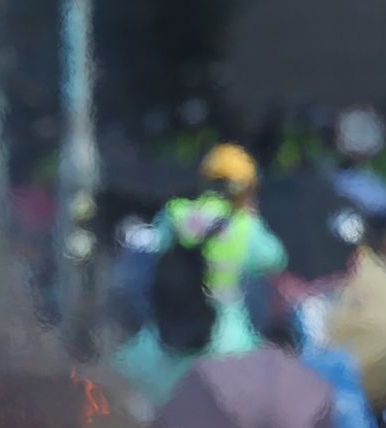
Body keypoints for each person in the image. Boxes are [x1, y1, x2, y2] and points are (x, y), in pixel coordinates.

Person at [114, 143, 287, 407]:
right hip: (225, 340)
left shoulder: (174, 212)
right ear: (248, 189)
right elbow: (275, 259)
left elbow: (147, 252)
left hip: (164, 340)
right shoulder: (245, 225)